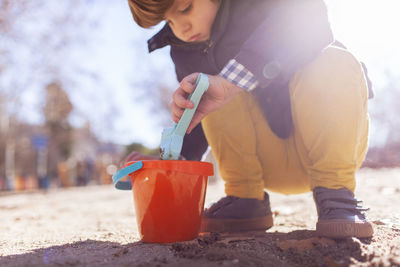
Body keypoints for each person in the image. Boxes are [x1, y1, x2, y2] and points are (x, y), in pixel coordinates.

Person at [126, 0, 374, 238]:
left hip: (330, 152)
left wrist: (232, 81)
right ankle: (245, 198)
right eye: (168, 21)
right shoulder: (183, 52)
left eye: (185, 8)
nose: (181, 28)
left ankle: (337, 195)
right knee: (206, 87)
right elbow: (198, 117)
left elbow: (310, 16)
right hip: (265, 163)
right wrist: (171, 162)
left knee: (333, 59)